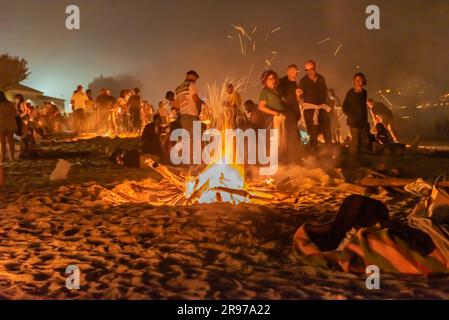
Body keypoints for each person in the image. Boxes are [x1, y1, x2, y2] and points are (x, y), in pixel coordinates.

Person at [298, 60, 332, 151]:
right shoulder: (303, 81)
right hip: (310, 112)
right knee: (313, 134)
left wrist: (328, 105)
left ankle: (330, 154)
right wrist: (298, 96)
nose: (309, 72)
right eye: (306, 70)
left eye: (311, 69)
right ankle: (313, 156)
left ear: (315, 68)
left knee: (327, 132)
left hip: (323, 110)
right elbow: (300, 98)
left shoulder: (321, 78)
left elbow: (325, 93)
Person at [342, 73, 370, 166]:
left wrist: (366, 121)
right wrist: (350, 115)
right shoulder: (351, 92)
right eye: (356, 80)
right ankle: (353, 163)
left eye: (360, 80)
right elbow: (345, 106)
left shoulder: (364, 93)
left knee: (362, 143)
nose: (358, 82)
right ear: (354, 81)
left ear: (363, 82)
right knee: (355, 143)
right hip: (353, 123)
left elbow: (363, 108)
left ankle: (361, 162)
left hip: (362, 122)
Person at [258, 70, 287, 158]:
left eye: (273, 78)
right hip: (274, 119)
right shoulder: (264, 92)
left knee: (283, 140)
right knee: (276, 140)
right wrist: (274, 113)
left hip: (282, 117)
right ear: (265, 81)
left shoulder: (276, 90)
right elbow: (261, 107)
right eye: (269, 79)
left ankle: (282, 159)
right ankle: (275, 160)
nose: (271, 80)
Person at [278, 64, 303, 162]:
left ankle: (294, 158)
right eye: (293, 72)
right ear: (287, 72)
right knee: (292, 136)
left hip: (294, 115)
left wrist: (297, 96)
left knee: (295, 136)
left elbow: (296, 100)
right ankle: (292, 160)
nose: (295, 75)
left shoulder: (294, 84)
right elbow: (280, 97)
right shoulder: (282, 82)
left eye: (296, 72)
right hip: (288, 115)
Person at [174, 70, 204, 139]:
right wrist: (200, 107)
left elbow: (176, 105)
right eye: (195, 79)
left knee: (188, 139)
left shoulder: (178, 88)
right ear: (191, 76)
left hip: (183, 117)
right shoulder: (191, 85)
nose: (195, 81)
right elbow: (196, 100)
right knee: (198, 138)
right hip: (193, 116)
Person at [0, 91, 18, 162]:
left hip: (1, 125)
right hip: (10, 124)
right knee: (10, 141)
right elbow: (15, 114)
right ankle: (12, 157)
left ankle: (3, 158)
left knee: (3, 142)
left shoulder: (9, 104)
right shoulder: (10, 104)